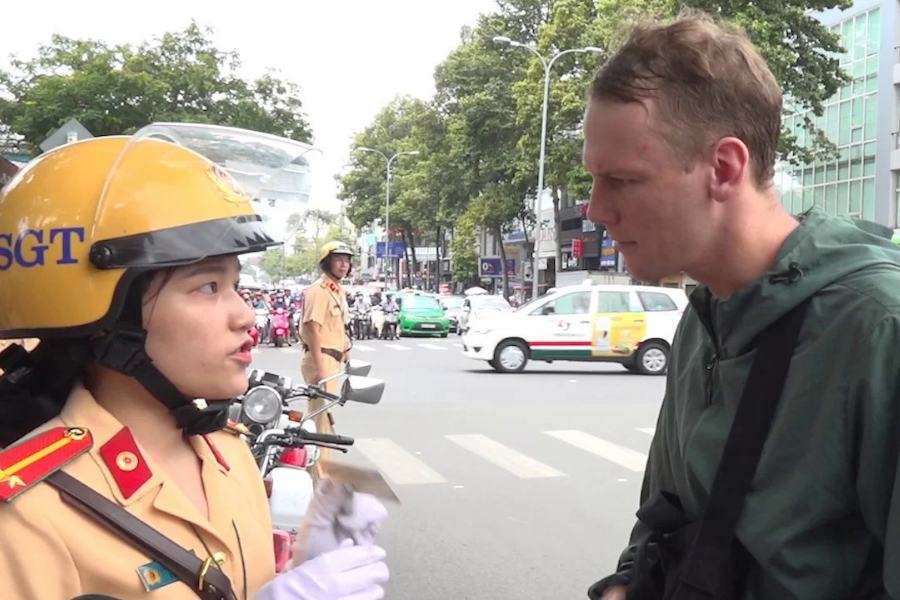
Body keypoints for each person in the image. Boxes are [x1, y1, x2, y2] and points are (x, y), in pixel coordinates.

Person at [585, 10, 900, 600]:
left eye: (622, 180)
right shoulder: (703, 318)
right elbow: (665, 520)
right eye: (594, 180)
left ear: (723, 168)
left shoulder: (878, 328)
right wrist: (627, 585)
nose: (598, 210)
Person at [0, 135, 388, 599]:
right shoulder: (27, 515)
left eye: (235, 284)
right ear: (105, 318)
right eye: (207, 287)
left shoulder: (227, 452)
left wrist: (300, 569)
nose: (245, 315)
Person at [299, 241, 353, 480]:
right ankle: (318, 477)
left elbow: (338, 328)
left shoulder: (337, 291)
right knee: (321, 421)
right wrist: (321, 369)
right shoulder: (319, 290)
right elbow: (312, 329)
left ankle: (320, 473)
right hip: (322, 361)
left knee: (325, 420)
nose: (344, 264)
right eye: (338, 259)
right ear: (327, 262)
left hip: (333, 361)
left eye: (347, 260)